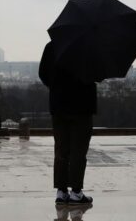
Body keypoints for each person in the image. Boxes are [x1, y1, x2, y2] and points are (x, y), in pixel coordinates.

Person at [39, 41, 96, 206]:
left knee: (61, 150)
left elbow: (43, 73)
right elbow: (97, 74)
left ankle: (61, 191)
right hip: (82, 106)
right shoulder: (89, 48)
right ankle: (76, 192)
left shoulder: (52, 47)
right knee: (79, 151)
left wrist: (57, 86)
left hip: (59, 105)